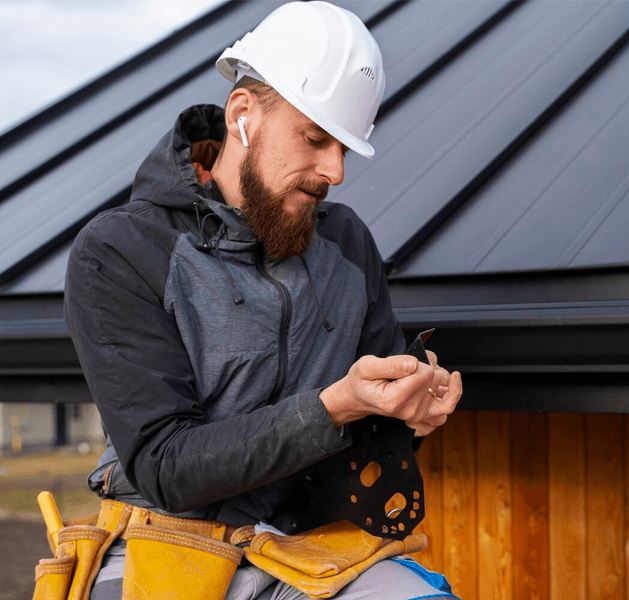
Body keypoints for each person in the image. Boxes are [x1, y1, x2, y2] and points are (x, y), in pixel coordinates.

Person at [62, 2, 462, 599]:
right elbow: (167, 466)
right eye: (315, 138)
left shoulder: (347, 245)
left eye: (344, 149)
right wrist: (333, 406)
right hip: (161, 542)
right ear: (244, 115)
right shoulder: (121, 250)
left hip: (299, 547)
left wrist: (408, 412)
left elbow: (366, 415)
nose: (335, 171)